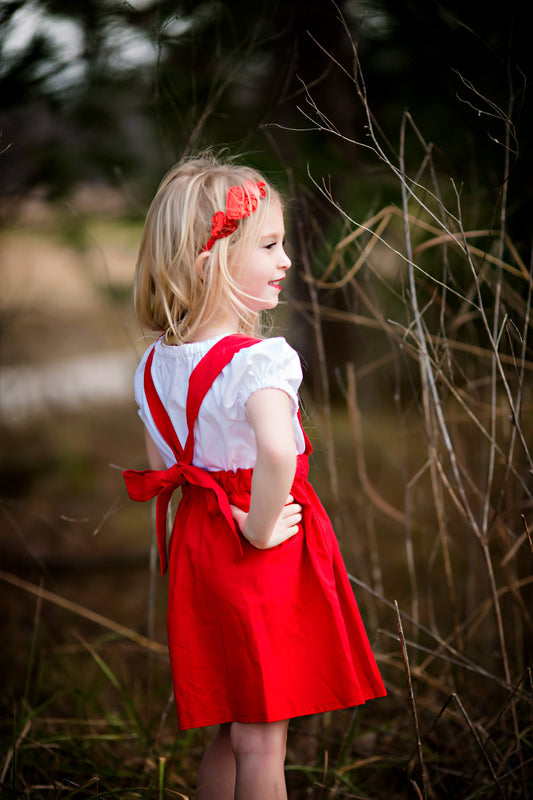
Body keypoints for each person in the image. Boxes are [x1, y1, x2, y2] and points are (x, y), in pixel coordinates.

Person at [123, 154, 386, 799]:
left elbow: (168, 469)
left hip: (198, 542)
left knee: (227, 724)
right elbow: (274, 452)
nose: (286, 261)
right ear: (210, 259)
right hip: (254, 540)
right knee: (263, 734)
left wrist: (219, 511)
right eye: (269, 245)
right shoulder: (258, 360)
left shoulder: (155, 363)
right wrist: (263, 527)